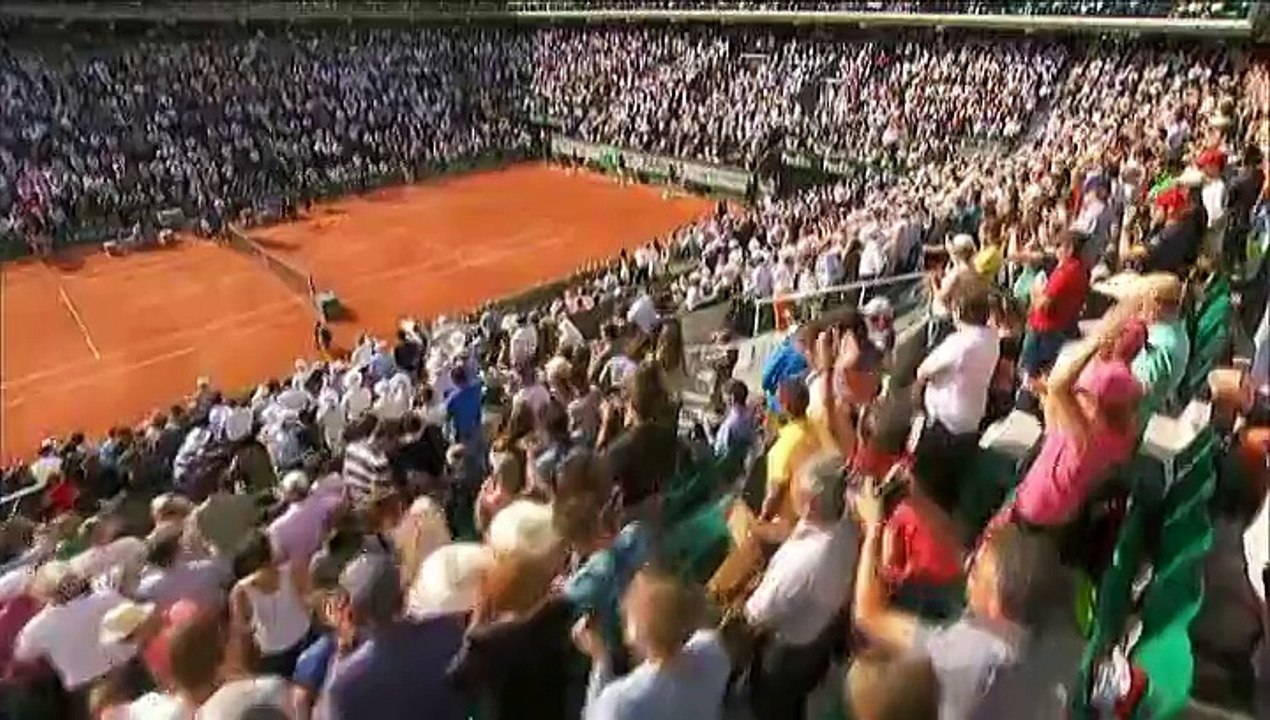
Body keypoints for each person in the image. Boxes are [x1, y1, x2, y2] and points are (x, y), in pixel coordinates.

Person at [853, 477, 1083, 720]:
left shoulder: (961, 653)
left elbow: (869, 615)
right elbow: (960, 557)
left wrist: (873, 528)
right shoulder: (1059, 635)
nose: (969, 565)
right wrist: (916, 501)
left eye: (976, 570)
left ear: (996, 608)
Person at [745, 451, 857, 720]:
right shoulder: (846, 525)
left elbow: (757, 613)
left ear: (812, 503)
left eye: (797, 487)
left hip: (787, 654)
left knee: (772, 708)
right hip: (819, 640)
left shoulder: (803, 561)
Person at [323, 553, 467, 720]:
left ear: (352, 612)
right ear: (403, 595)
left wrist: (342, 649)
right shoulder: (447, 632)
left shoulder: (344, 682)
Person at [574, 568, 730, 720]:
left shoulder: (621, 702)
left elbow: (596, 713)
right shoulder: (712, 653)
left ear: (633, 632)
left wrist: (600, 660)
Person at [911, 290, 1000, 512]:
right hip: (970, 422)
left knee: (928, 485)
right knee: (951, 484)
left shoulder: (960, 343)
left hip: (944, 427)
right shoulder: (991, 338)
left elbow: (923, 371)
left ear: (959, 312)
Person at [230, 531, 313, 678]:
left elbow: (242, 635)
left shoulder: (240, 592)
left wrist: (247, 670)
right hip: (305, 641)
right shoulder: (293, 571)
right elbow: (310, 603)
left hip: (272, 654)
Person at [1018, 230, 1090, 383]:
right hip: (1061, 328)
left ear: (1069, 249)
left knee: (1032, 375)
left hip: (1044, 332)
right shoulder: (1082, 271)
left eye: (1059, 246)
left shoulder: (1064, 273)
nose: (1056, 250)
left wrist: (1035, 291)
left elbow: (1043, 305)